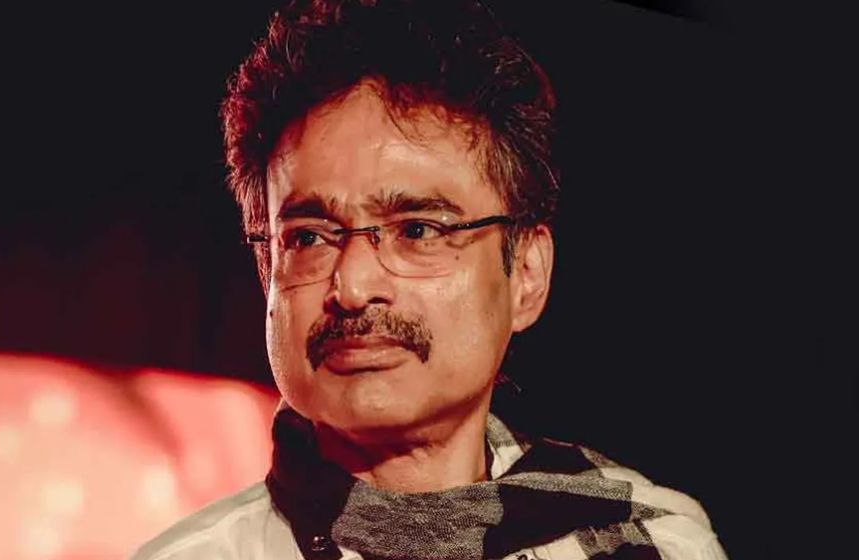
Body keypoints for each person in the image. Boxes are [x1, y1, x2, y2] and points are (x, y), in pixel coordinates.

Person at [132, 0, 728, 558]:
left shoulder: (654, 543)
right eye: (308, 237)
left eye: (418, 230)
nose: (353, 287)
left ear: (526, 273)